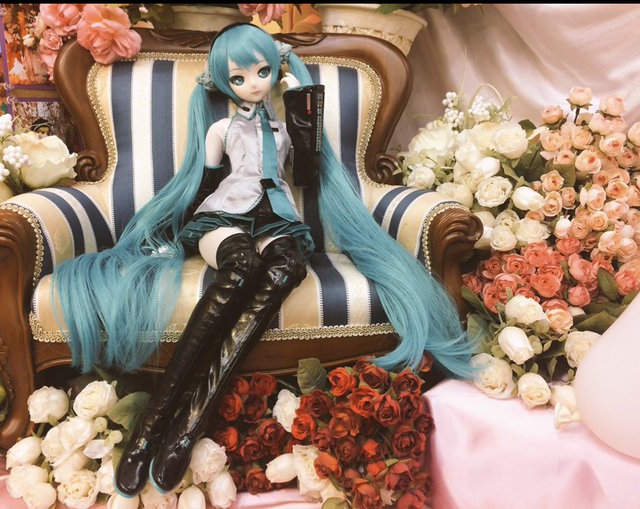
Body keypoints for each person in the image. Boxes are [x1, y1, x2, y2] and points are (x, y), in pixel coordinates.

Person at [49, 23, 475, 498]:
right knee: (240, 270)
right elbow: (204, 184)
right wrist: (179, 232)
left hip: (276, 220)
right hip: (225, 217)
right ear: (223, 83)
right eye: (238, 77)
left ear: (274, 71)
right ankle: (152, 426)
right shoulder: (220, 128)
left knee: (287, 267)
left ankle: (189, 423)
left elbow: (308, 173)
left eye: (261, 72)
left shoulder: (285, 130)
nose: (252, 83)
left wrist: (300, 101)